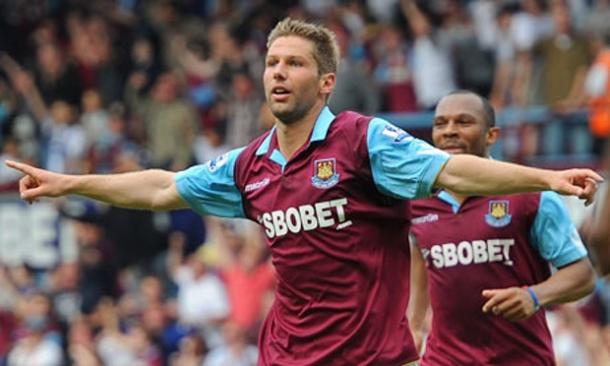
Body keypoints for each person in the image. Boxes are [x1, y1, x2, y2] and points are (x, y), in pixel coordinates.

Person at [5, 18, 602, 365]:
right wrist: (70, 183)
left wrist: (546, 177)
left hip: (369, 357)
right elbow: (163, 188)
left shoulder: (364, 142)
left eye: (292, 63)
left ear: (325, 82)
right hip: (286, 355)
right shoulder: (251, 165)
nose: (277, 72)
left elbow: (453, 173)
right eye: (271, 62)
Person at [408, 90, 597, 365]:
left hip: (520, 358)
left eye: (463, 122)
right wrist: (413, 328)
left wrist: (534, 296)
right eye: (441, 124)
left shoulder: (532, 197)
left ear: (492, 135)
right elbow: (422, 267)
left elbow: (583, 276)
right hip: (444, 359)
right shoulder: (419, 203)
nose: (449, 131)